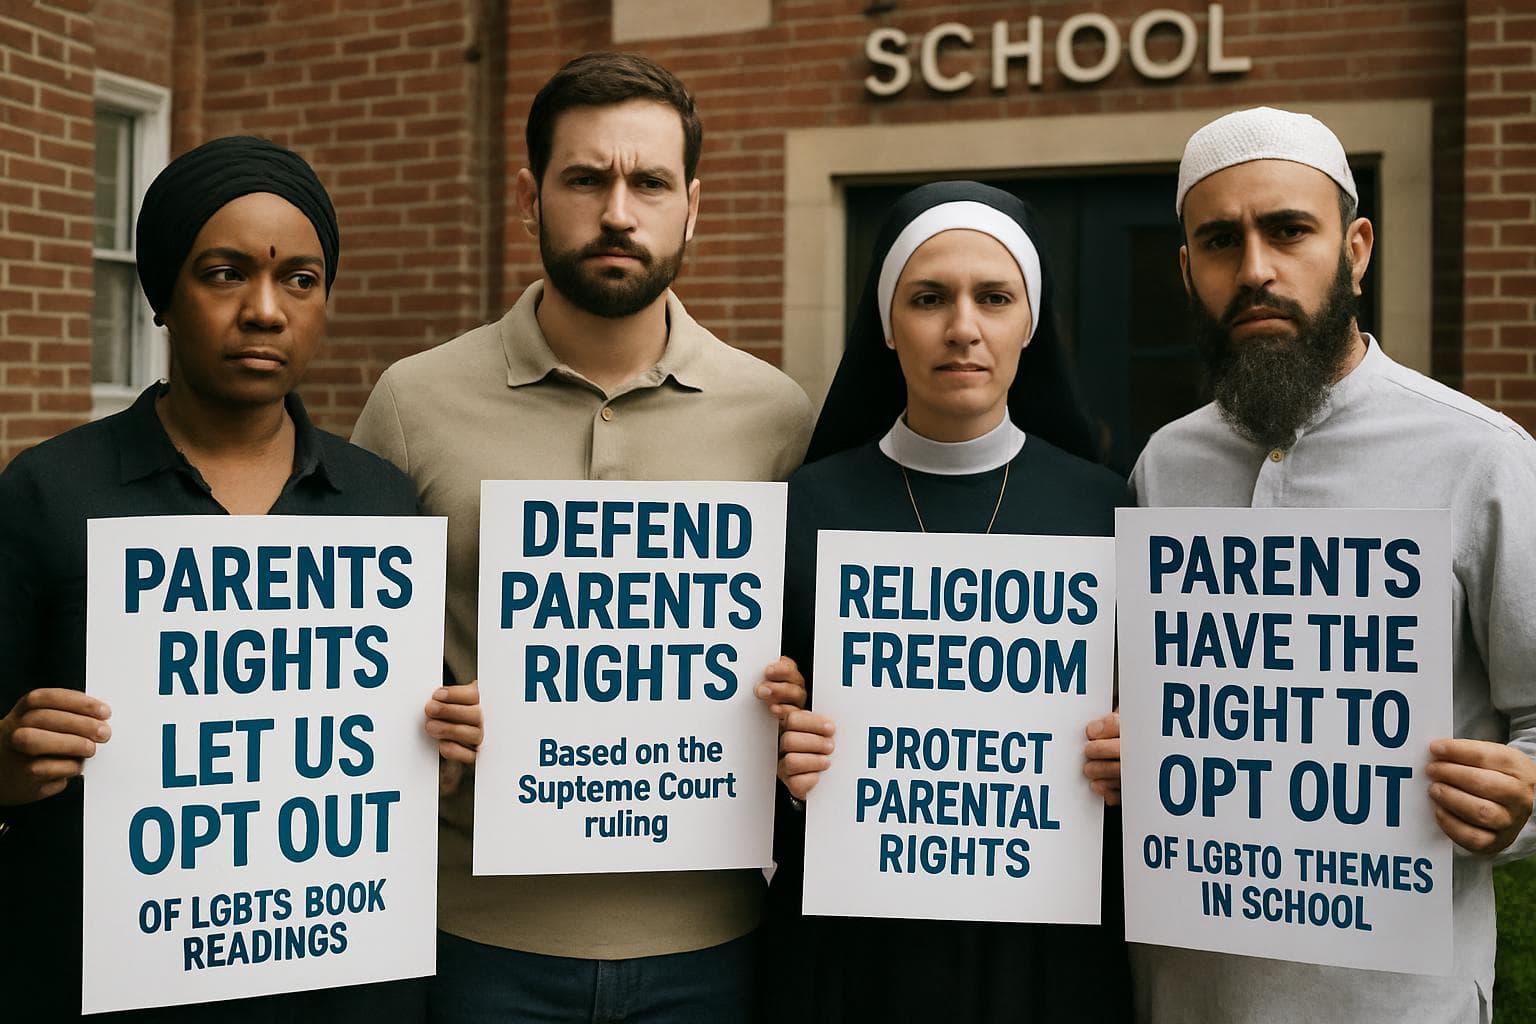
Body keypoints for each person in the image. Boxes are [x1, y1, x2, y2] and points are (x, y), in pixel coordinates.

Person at [352, 52, 813, 1023]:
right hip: (469, 935)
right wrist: (419, 719)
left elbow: (813, 657)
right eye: (585, 179)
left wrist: (796, 696)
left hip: (713, 941)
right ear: (529, 198)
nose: (617, 210)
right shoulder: (412, 401)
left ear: (694, 205)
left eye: (648, 182)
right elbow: (346, 661)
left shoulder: (776, 414)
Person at [0, 135, 481, 1023]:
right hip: (106, 980)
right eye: (225, 274)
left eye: (300, 279)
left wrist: (443, 742)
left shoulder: (380, 500)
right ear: (163, 297)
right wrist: (5, 763)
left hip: (344, 987)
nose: (266, 310)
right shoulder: (50, 490)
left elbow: (401, 736)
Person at [1083, 106, 1536, 1023]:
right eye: (1220, 241)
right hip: (1185, 993)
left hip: (1403, 1004)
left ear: (1356, 247)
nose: (1255, 269)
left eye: (1289, 230)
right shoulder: (1162, 465)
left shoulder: (1480, 457)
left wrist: (1521, 804)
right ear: (1187, 270)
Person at [765, 180, 1133, 1022]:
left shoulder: (1109, 509)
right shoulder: (802, 508)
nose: (962, 326)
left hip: (1048, 953)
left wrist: (1135, 759)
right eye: (928, 298)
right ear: (888, 324)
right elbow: (752, 755)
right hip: (854, 956)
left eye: (994, 298)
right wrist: (785, 767)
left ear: (1029, 322)